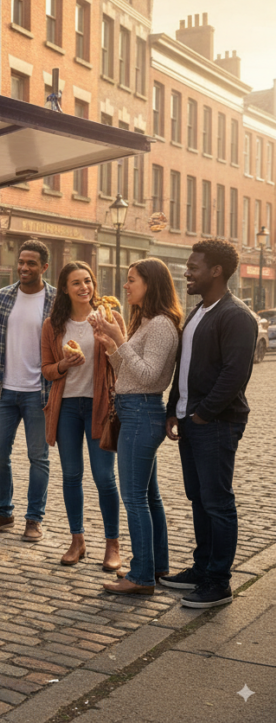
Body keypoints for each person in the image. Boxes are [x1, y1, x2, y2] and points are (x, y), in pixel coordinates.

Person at [162, 240, 256, 608]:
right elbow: (183, 368)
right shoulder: (198, 310)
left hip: (215, 424)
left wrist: (203, 414)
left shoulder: (236, 316)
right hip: (189, 420)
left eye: (193, 266)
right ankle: (202, 569)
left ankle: (218, 581)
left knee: (218, 502)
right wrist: (174, 409)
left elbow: (235, 375)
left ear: (216, 271)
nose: (187, 272)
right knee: (198, 498)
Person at [89, 258, 181, 596]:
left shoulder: (159, 324)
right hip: (136, 410)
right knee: (150, 497)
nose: (125, 286)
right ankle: (156, 567)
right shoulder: (148, 322)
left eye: (131, 280)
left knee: (134, 498)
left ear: (150, 284)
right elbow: (130, 371)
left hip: (142, 414)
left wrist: (119, 337)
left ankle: (141, 576)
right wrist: (111, 346)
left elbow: (148, 376)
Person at [41, 262, 123, 571]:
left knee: (104, 478)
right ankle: (77, 540)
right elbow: (47, 370)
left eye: (88, 281)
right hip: (67, 411)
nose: (84, 287)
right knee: (72, 476)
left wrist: (109, 343)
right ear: (64, 288)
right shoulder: (52, 325)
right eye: (76, 283)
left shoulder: (109, 317)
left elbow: (122, 362)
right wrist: (64, 364)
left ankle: (112, 545)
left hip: (99, 406)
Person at [0, 240, 56, 542]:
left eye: (31, 263)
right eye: (21, 261)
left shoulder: (54, 300)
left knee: (39, 457)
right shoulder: (3, 297)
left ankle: (34, 519)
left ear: (44, 267)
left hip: (40, 393)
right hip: (4, 390)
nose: (24, 267)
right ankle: (3, 511)